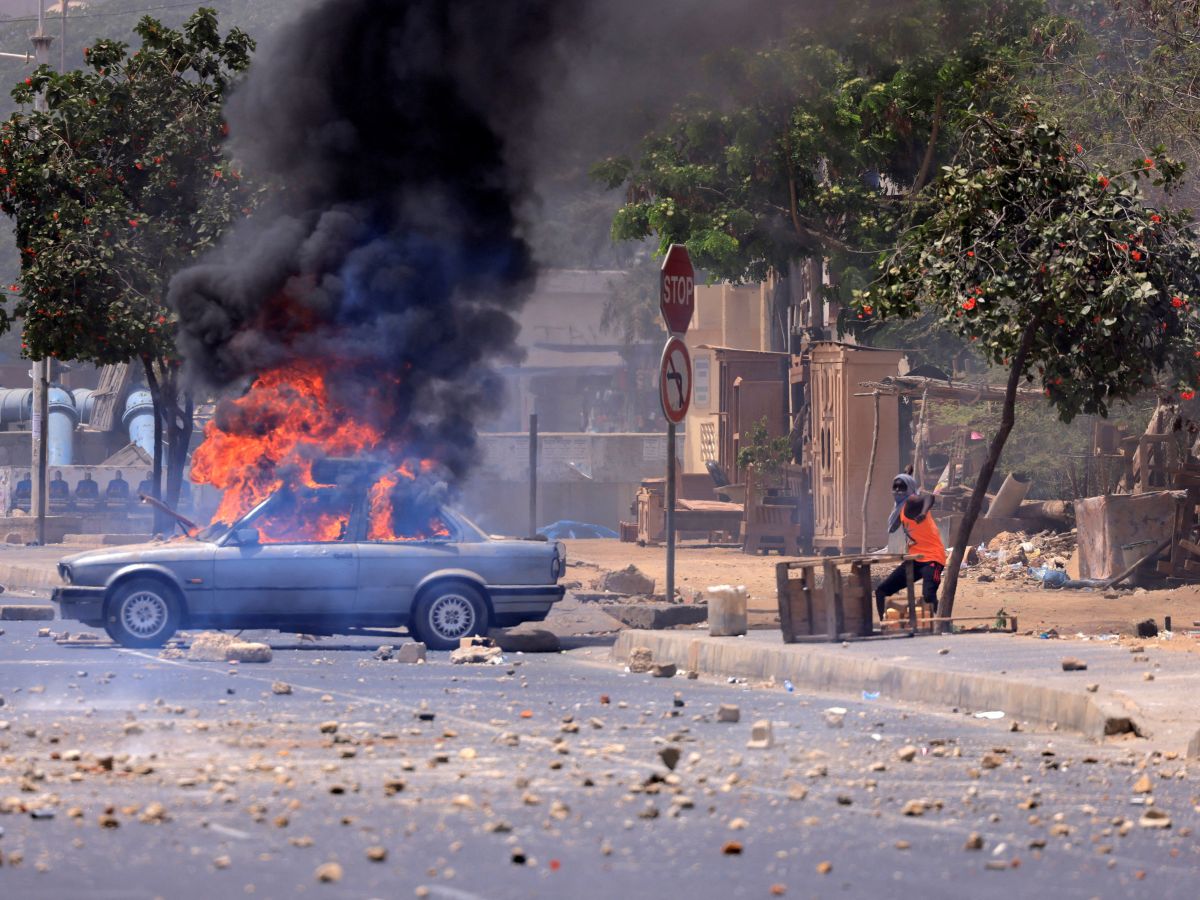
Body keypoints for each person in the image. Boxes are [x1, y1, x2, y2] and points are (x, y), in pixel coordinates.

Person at [875, 482, 947, 620]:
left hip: (933, 559)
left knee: (929, 595)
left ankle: (942, 624)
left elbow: (929, 498)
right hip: (914, 560)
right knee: (881, 591)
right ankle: (885, 625)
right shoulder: (900, 509)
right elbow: (893, 527)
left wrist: (923, 513)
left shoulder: (912, 502)